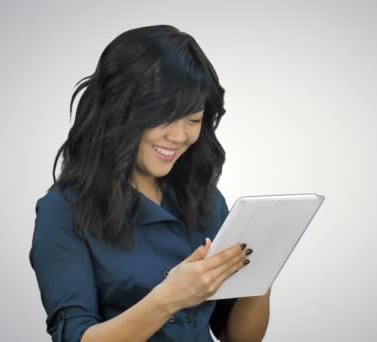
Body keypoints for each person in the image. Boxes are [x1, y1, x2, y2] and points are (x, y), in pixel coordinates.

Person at [28, 25, 271, 342]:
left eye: (193, 120)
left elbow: (236, 336)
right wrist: (169, 298)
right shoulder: (63, 212)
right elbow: (76, 336)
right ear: (118, 110)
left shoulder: (205, 199)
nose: (179, 136)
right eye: (165, 116)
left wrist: (262, 272)